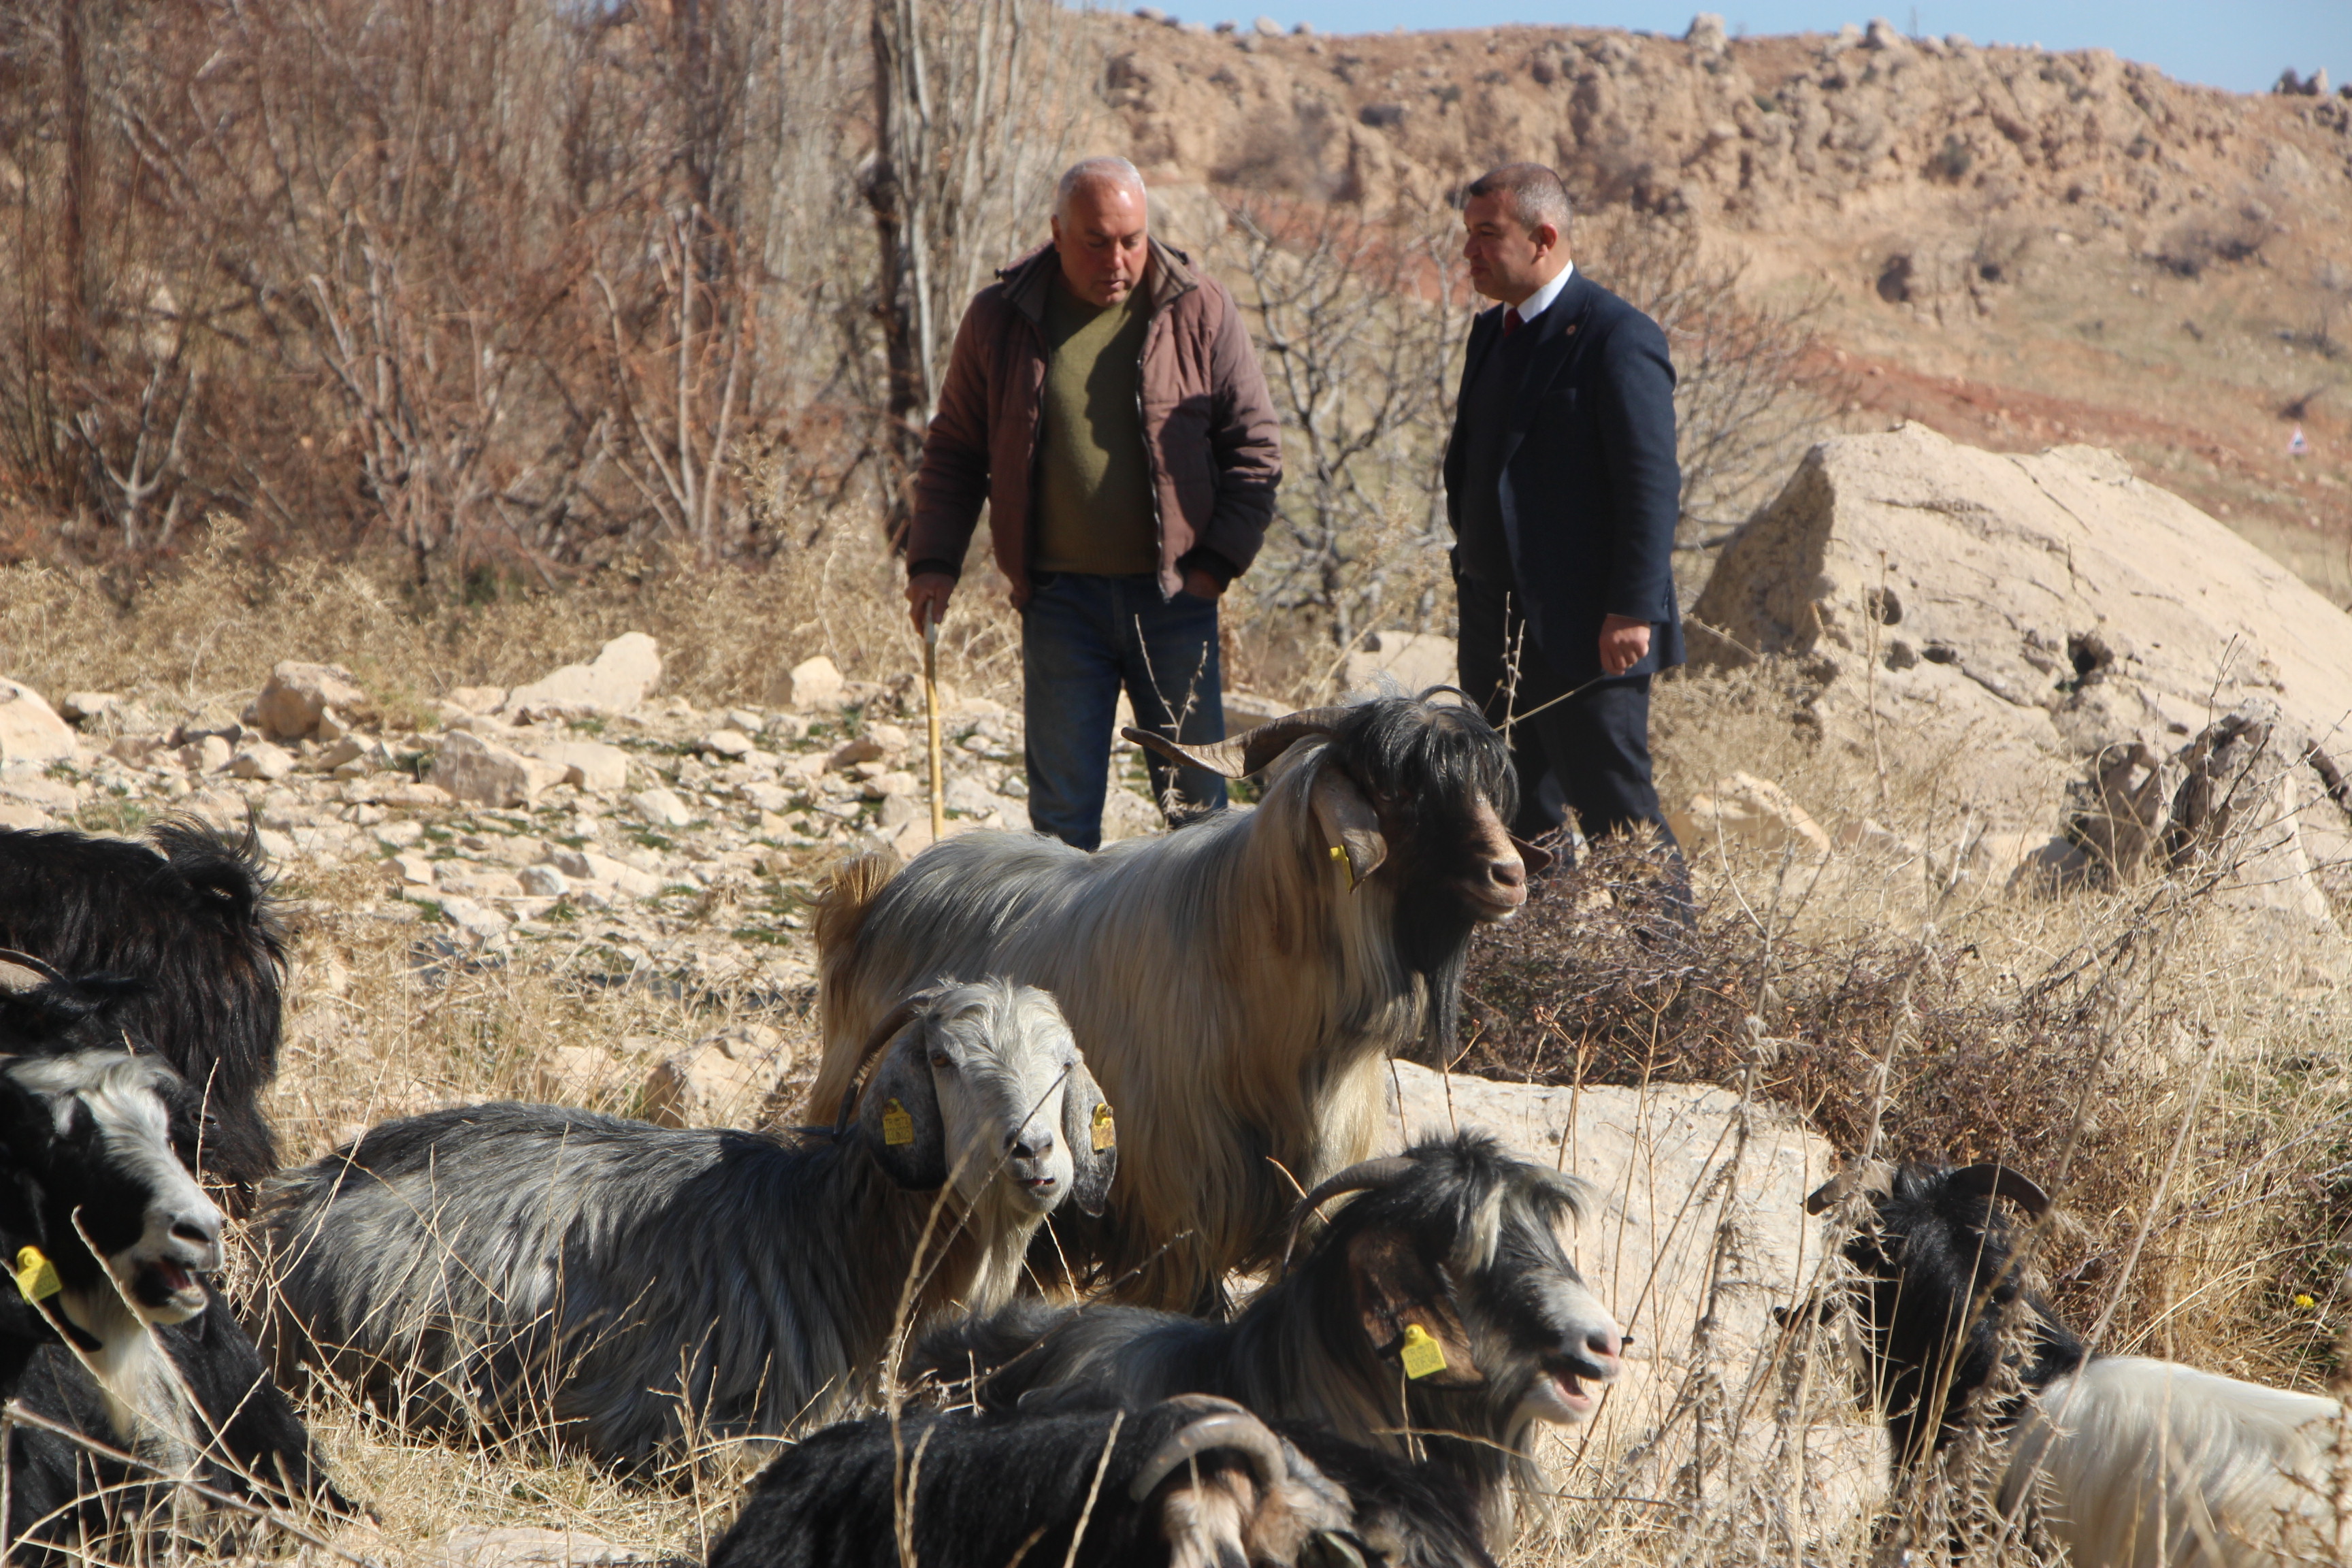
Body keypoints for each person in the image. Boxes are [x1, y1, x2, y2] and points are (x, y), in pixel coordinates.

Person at [904, 156, 1281, 851]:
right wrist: (933, 560)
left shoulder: (1199, 307)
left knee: (1199, 818)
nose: (1118, 259)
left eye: (1132, 240)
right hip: (1060, 604)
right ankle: (1065, 962)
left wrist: (1215, 567)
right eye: (1096, 241)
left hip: (1174, 603)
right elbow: (956, 448)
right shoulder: (1001, 316)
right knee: (1061, 824)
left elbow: (1254, 447)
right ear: (1055, 231)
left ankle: (1201, 962)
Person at [1443, 162, 1691, 907]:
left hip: (1590, 632)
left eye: (1488, 236)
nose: (1471, 253)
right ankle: (1546, 975)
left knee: (1620, 817)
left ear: (1543, 238)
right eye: (1468, 236)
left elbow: (1651, 486)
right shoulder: (1492, 334)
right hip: (1496, 627)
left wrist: (1633, 609)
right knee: (1518, 816)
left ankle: (1674, 988)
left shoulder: (1617, 337)